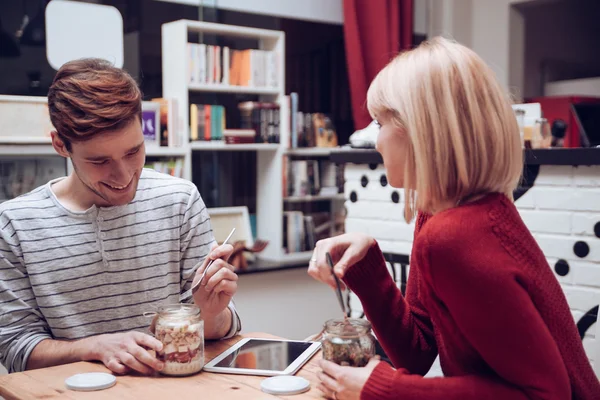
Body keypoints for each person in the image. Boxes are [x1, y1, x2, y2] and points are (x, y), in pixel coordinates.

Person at [308, 37, 600, 400]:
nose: (376, 141)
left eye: (381, 122)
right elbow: (417, 350)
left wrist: (383, 389)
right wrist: (367, 267)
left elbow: (543, 394)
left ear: (422, 132)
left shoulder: (455, 235)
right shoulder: (443, 216)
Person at [0, 58, 241, 375]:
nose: (124, 175)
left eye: (133, 151)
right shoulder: (14, 224)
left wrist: (209, 314)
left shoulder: (179, 200)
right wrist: (95, 347)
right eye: (99, 161)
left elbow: (222, 328)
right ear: (61, 145)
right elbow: (16, 349)